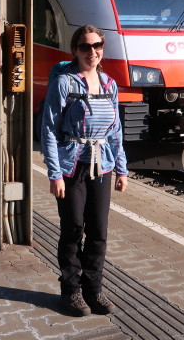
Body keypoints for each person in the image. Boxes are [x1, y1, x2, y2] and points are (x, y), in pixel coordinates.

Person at [40, 24, 128, 317]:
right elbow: (49, 129)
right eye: (85, 47)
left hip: (101, 166)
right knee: (73, 229)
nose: (93, 52)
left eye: (97, 45)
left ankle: (94, 290)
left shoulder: (109, 84)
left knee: (99, 232)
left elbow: (115, 131)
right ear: (75, 51)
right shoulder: (65, 82)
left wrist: (121, 169)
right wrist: (54, 174)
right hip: (71, 165)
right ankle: (72, 291)